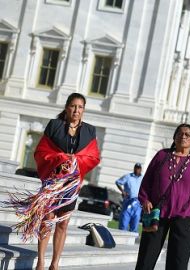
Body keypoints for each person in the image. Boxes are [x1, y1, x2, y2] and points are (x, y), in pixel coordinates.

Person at [6, 93, 100, 270]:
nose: (76, 110)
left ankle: (55, 264)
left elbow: (93, 156)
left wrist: (75, 161)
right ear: (66, 107)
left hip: (71, 185)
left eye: (80, 107)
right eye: (73, 106)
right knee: (48, 219)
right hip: (53, 181)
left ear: (84, 110)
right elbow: (41, 152)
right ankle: (41, 262)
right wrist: (61, 158)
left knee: (63, 223)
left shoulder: (89, 131)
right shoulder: (55, 126)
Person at [135, 123, 190, 270]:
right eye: (180, 133)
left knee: (178, 261)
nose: (183, 136)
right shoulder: (162, 155)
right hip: (157, 213)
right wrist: (145, 199)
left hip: (185, 215)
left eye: (187, 134)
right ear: (174, 137)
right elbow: (147, 180)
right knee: (146, 258)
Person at [116, 163, 144, 232]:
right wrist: (123, 191)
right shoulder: (128, 176)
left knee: (134, 225)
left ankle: (131, 242)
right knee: (123, 224)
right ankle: (120, 240)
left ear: (141, 169)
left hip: (138, 204)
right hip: (128, 203)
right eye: (136, 168)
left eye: (139, 168)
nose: (137, 169)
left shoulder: (143, 178)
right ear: (134, 168)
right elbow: (118, 182)